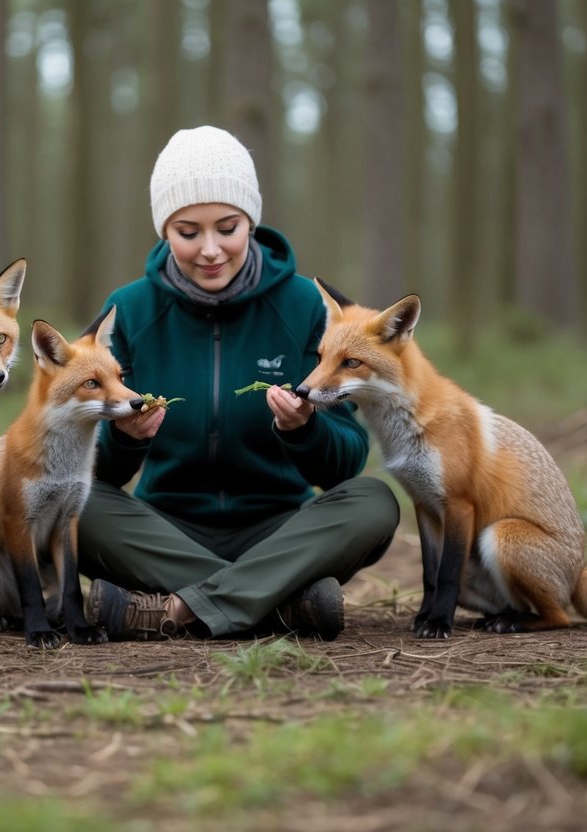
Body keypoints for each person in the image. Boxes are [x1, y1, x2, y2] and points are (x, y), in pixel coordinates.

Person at [77, 125, 399, 642]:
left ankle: (176, 608)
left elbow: (347, 462)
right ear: (164, 230)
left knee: (374, 501)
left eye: (227, 227)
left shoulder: (306, 307)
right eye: (188, 232)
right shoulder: (128, 312)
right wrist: (125, 438)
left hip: (281, 532)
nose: (210, 249)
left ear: (251, 220)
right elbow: (85, 462)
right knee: (67, 501)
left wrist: (305, 431)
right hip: (162, 530)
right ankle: (282, 605)